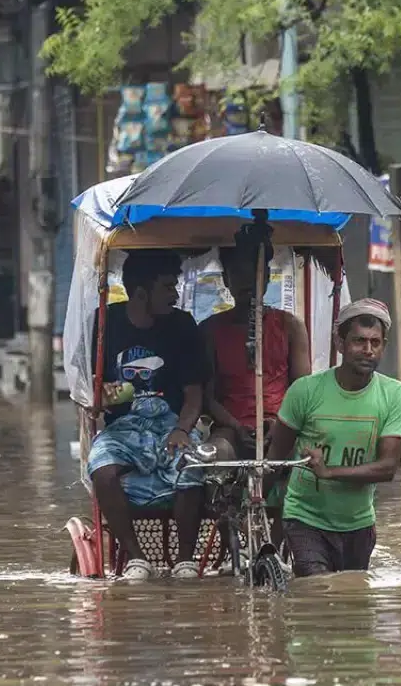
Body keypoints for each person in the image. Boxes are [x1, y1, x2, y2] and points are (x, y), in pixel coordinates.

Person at [87, 249, 210, 581]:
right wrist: (102, 395)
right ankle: (136, 556)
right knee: (102, 468)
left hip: (171, 421)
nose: (174, 295)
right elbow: (89, 392)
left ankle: (185, 559)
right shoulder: (104, 323)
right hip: (123, 427)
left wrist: (183, 430)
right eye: (168, 287)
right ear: (141, 292)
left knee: (191, 464)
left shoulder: (183, 325)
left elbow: (193, 395)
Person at [265, 298, 401, 577]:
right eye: (359, 341)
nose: (368, 350)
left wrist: (329, 472)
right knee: (317, 589)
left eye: (375, 343)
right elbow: (277, 458)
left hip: (358, 522)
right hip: (304, 516)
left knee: (351, 606)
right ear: (340, 344)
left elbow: (387, 467)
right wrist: (255, 504)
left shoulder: (394, 394)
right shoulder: (305, 391)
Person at [202, 243, 312, 460]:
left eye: (255, 274)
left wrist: (278, 423)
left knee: (296, 456)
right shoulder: (210, 330)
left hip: (281, 425)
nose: (247, 283)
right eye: (239, 274)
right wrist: (236, 425)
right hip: (230, 428)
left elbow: (302, 391)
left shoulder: (290, 326)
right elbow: (207, 397)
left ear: (267, 276)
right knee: (216, 455)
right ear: (226, 279)